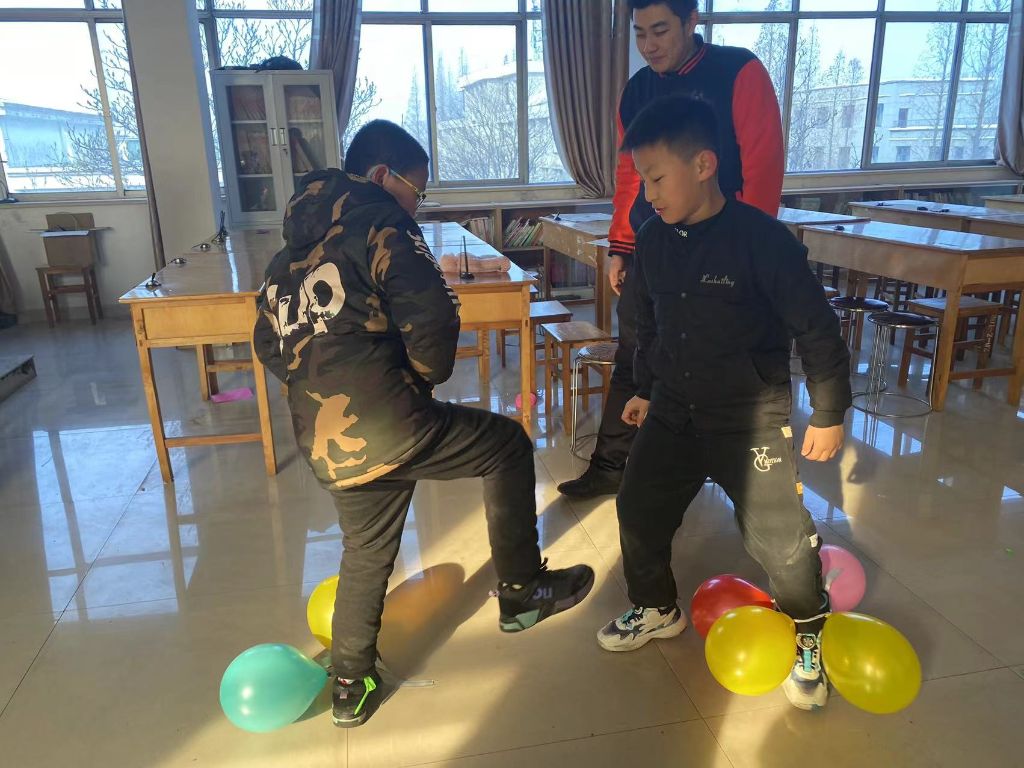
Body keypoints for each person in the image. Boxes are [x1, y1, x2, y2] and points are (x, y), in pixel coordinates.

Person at [253, 120, 594, 728]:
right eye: (418, 189)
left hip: (322, 437)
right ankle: (522, 593)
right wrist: (417, 380)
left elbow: (266, 344)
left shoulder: (287, 256)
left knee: (365, 548)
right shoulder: (383, 223)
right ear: (383, 176)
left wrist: (321, 384)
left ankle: (351, 684)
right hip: (389, 419)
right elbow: (431, 318)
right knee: (506, 445)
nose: (419, 203)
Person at [594, 96, 851, 712]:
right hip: (675, 409)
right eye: (642, 180)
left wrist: (828, 411)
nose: (647, 194)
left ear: (704, 164)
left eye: (657, 178)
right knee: (638, 506)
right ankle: (656, 607)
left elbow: (817, 328)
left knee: (778, 537)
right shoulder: (653, 240)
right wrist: (644, 388)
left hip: (748, 419)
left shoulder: (763, 242)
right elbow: (646, 324)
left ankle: (807, 631)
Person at [558, 0, 785, 499]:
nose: (649, 45)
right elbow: (628, 175)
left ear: (691, 21)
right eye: (639, 33)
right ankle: (611, 464)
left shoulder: (738, 71)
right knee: (635, 353)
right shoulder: (637, 89)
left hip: (722, 248)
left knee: (714, 356)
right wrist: (621, 246)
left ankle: (739, 477)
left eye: (660, 30)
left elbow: (764, 165)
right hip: (654, 245)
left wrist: (747, 250)